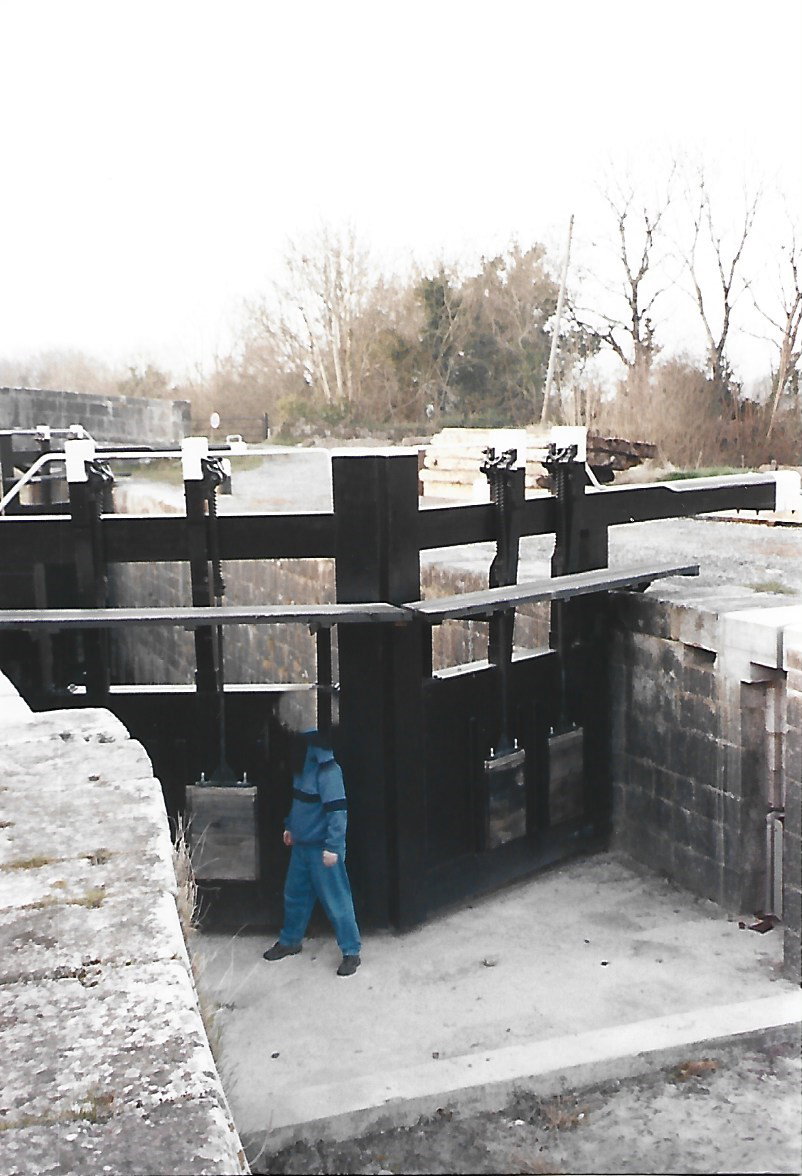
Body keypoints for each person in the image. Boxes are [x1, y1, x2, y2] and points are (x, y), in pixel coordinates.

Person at [263, 727, 362, 976]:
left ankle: (351, 951)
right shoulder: (303, 766)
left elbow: (338, 813)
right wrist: (290, 827)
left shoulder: (328, 772)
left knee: (337, 900)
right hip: (302, 846)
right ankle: (290, 941)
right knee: (294, 895)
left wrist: (334, 847)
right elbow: (299, 803)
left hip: (321, 849)